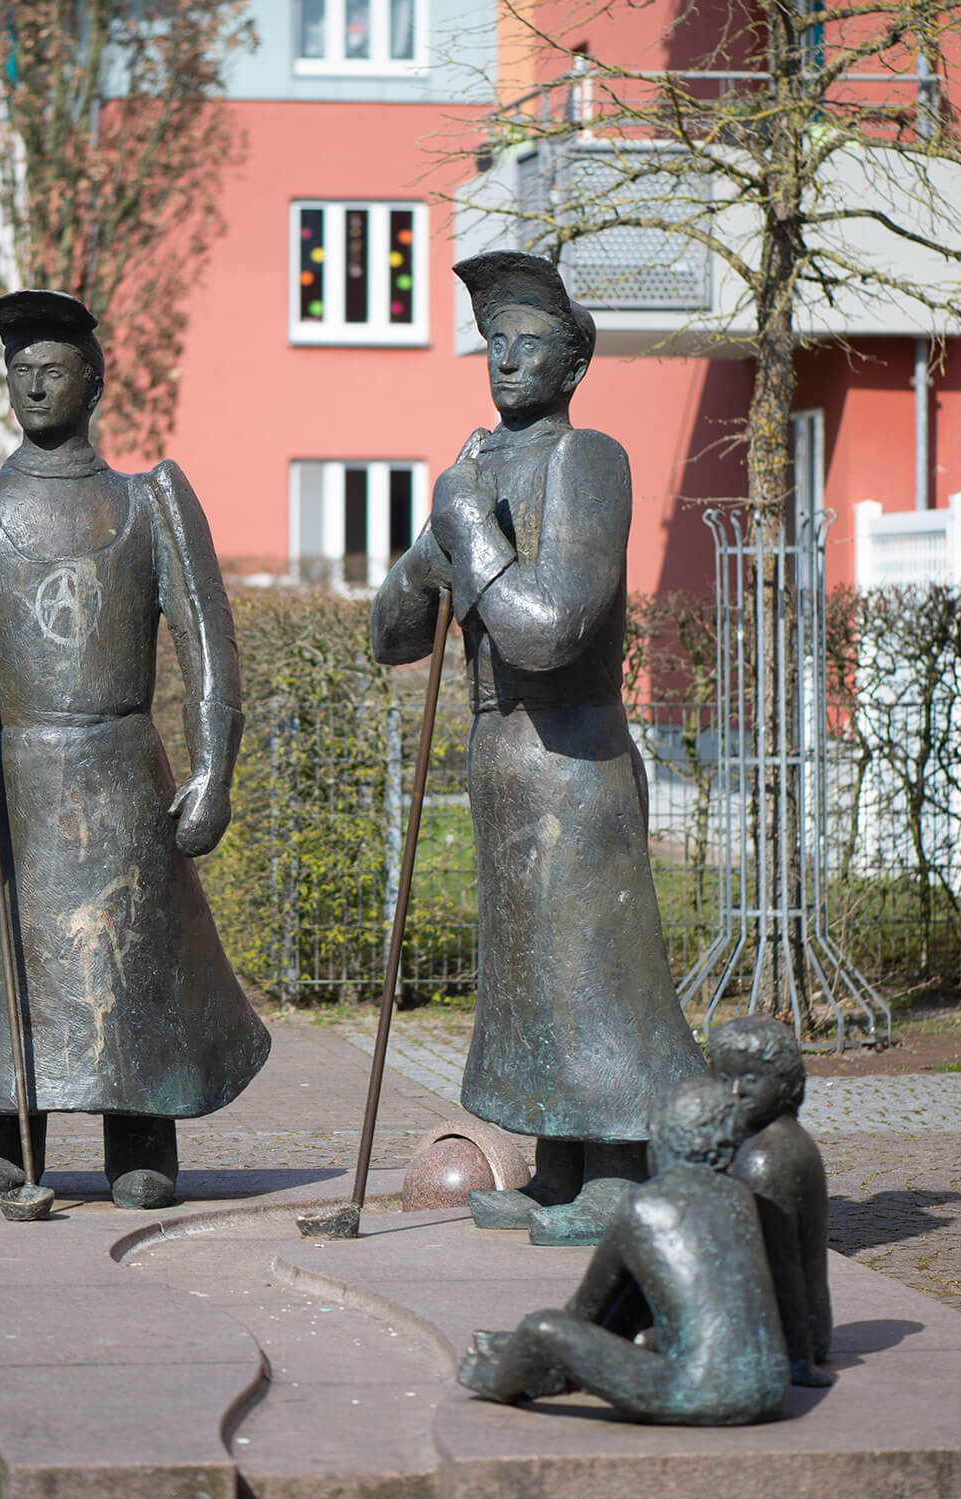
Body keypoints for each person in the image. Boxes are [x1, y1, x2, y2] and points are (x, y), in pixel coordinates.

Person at [0, 289, 270, 1209]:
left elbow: (207, 640)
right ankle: (1, 1123)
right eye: (20, 371)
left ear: (93, 382)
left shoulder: (148, 502)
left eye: (52, 370)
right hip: (17, 775)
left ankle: (140, 1128)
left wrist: (214, 771)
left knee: (129, 960)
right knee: (8, 962)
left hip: (121, 772)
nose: (34, 386)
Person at [370, 251, 702, 1245]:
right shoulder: (476, 472)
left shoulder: (585, 461)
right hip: (501, 757)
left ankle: (615, 1175)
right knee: (529, 978)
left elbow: (549, 628)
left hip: (572, 757)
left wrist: (467, 538)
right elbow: (390, 637)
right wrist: (426, 560)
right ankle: (557, 1168)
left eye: (532, 344)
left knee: (591, 971)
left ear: (572, 366)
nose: (506, 358)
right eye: (495, 341)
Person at [457, 1078, 791, 1426]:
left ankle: (499, 1381)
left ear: (661, 1141)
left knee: (543, 1328)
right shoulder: (740, 1198)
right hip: (770, 1389)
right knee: (637, 1290)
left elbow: (583, 1313)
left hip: (699, 1391)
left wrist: (544, 1345)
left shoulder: (643, 1207)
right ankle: (550, 1368)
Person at [706, 1015, 834, 1387]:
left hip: (783, 1331)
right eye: (724, 1079)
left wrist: (797, 1357)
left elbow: (777, 1264)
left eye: (749, 1079)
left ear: (786, 1083)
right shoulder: (754, 1137)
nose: (735, 1092)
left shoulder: (769, 1157)